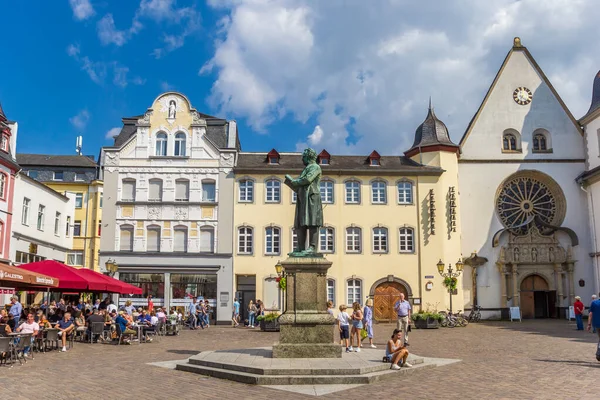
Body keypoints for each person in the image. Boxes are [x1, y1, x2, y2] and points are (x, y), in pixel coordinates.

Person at [587, 292, 600, 361]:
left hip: (597, 324)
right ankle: (598, 354)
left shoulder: (594, 303)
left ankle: (598, 354)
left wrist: (589, 324)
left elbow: (590, 314)